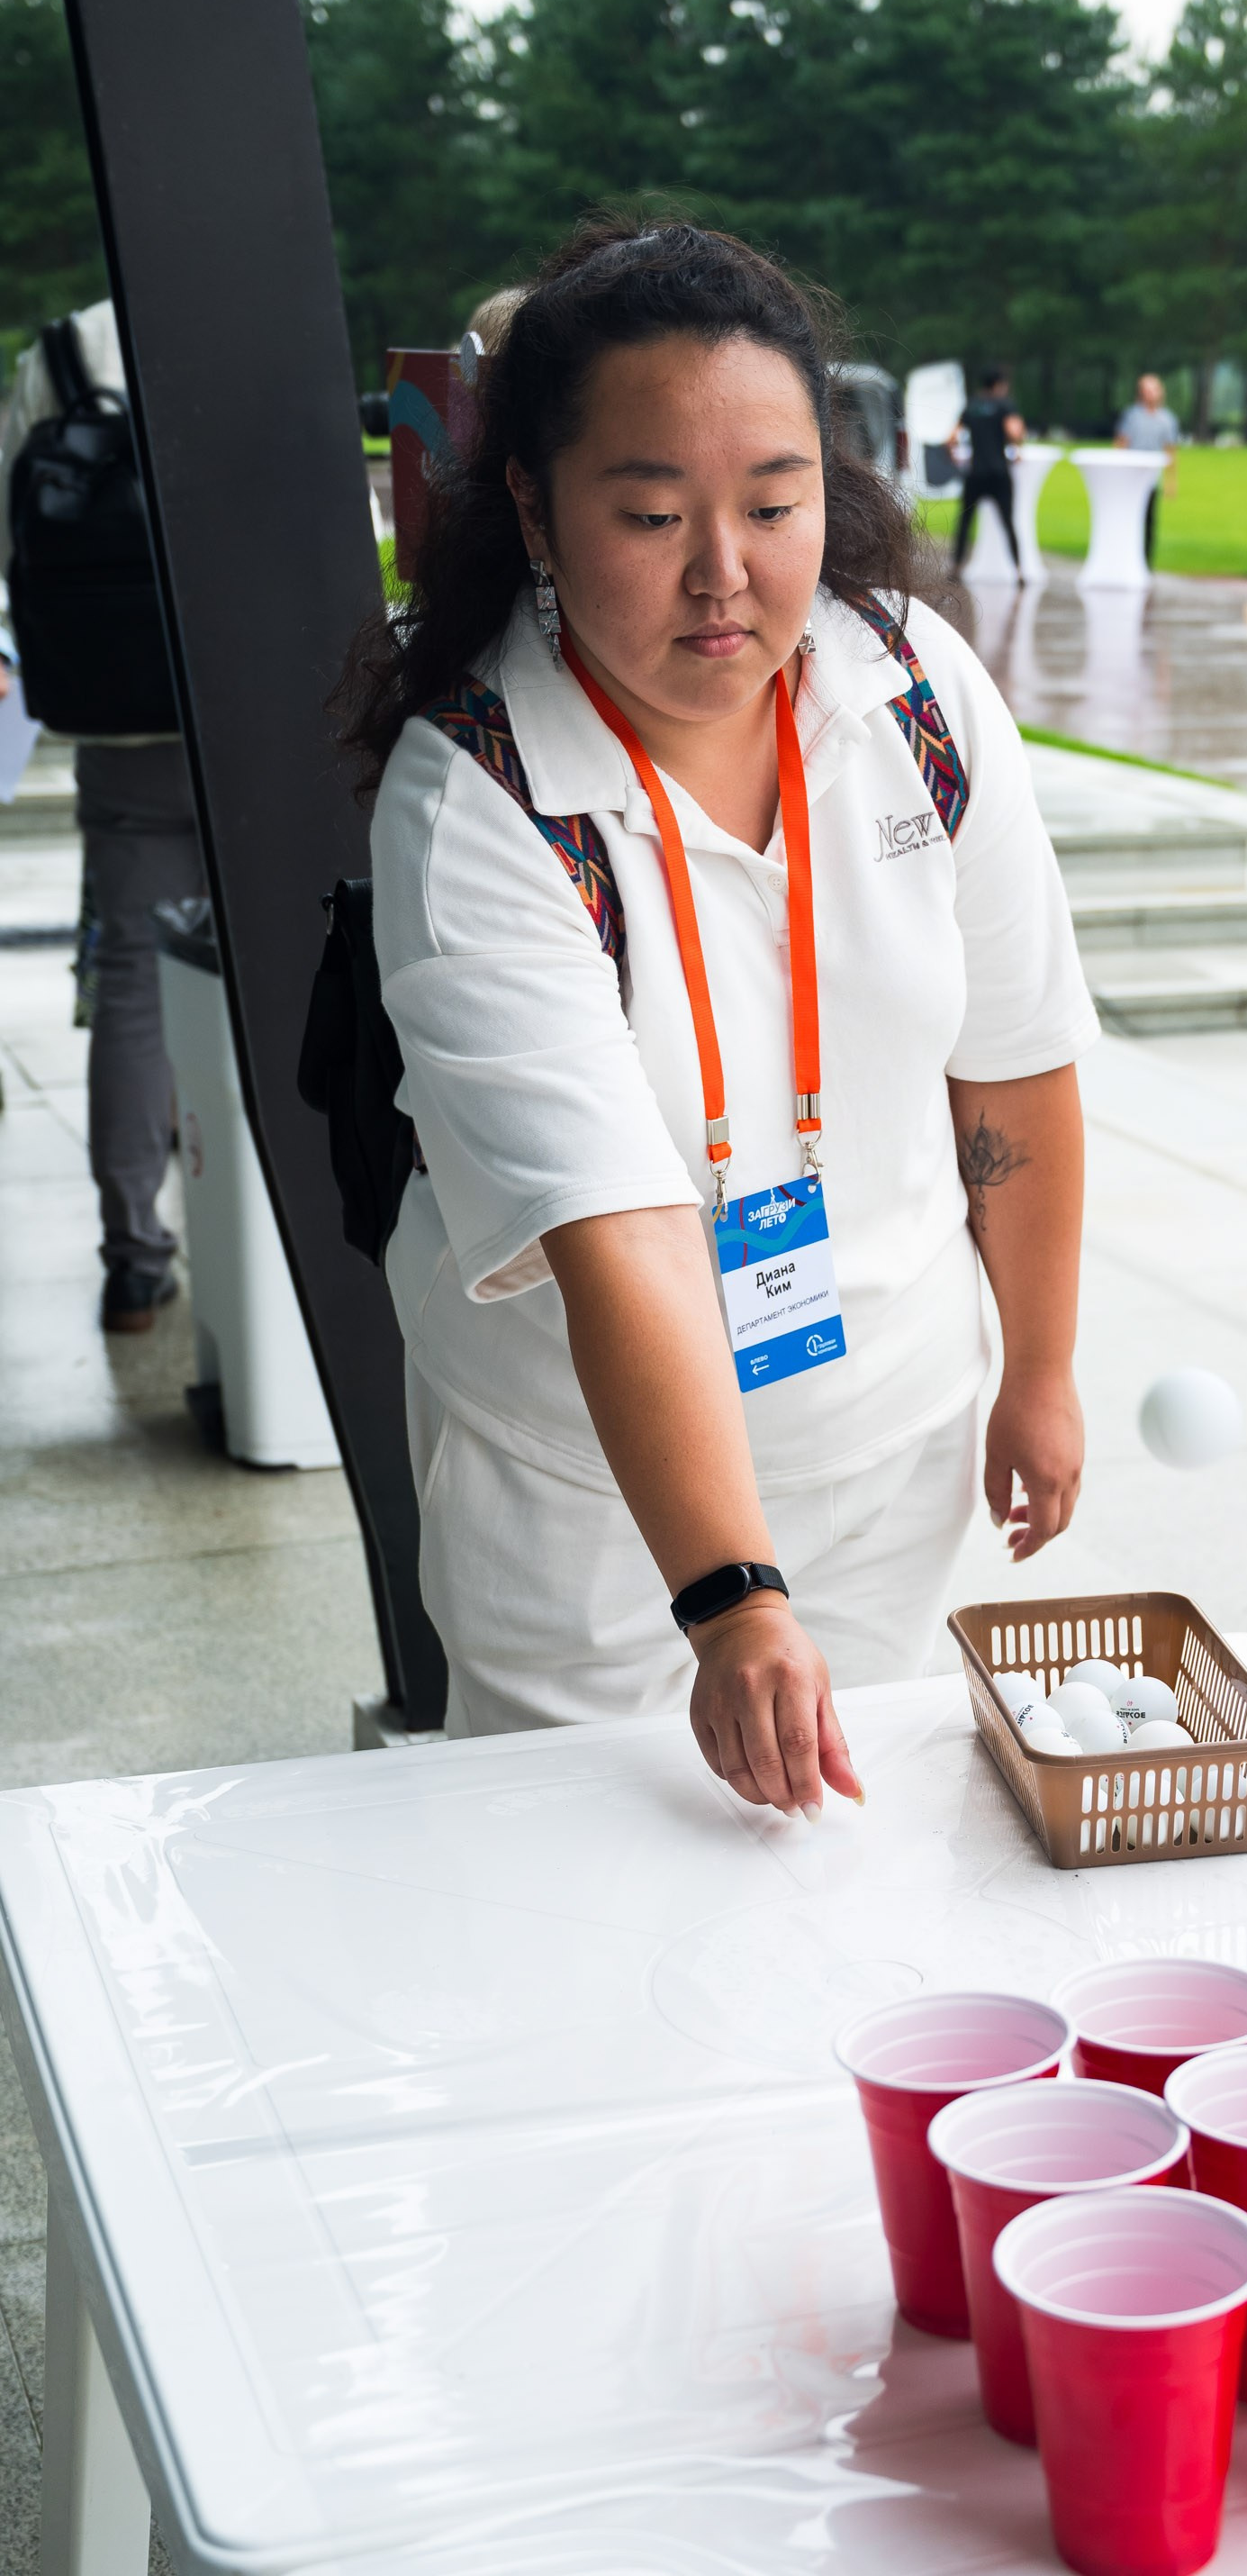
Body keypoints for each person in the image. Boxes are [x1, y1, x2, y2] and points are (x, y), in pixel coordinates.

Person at [343, 219, 1098, 1817]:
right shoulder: (479, 794)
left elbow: (1014, 1062)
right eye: (651, 513)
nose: (726, 574)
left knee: (858, 1915)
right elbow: (615, 1230)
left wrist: (1038, 1365)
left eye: (773, 503)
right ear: (535, 508)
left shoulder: (914, 694)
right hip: (594, 1516)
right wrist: (732, 1596)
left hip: (893, 1439)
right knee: (595, 1922)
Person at [0, 301, 203, 1332]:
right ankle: (270, 1235)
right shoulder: (234, 319)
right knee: (288, 976)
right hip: (239, 725)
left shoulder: (59, 354)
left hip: (116, 733)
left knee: (131, 990)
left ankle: (134, 1257)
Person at [952, 367, 1026, 577]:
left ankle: (956, 567)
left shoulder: (972, 405)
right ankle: (1018, 570)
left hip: (975, 473)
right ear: (999, 384)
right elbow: (1014, 432)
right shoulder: (1005, 405)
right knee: (1008, 522)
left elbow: (951, 439)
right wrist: (1018, 444)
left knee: (965, 522)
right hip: (999, 473)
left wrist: (955, 457)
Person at [1116, 372, 1180, 568]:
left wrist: (1171, 481)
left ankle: (1146, 563)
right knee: (1128, 520)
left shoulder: (1167, 419)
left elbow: (1170, 451)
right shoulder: (1132, 416)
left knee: (1149, 521)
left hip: (1151, 478)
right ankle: (1126, 559)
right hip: (1130, 476)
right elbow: (1121, 444)